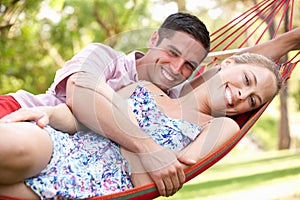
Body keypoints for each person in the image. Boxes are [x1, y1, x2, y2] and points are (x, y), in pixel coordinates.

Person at [0, 53, 282, 199]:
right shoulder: (146, 87)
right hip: (63, 145)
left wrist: (119, 119)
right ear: (227, 64)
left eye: (253, 99)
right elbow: (84, 123)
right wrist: (50, 112)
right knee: (11, 144)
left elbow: (156, 178)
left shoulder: (221, 126)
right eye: (246, 80)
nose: (243, 95)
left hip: (93, 184)